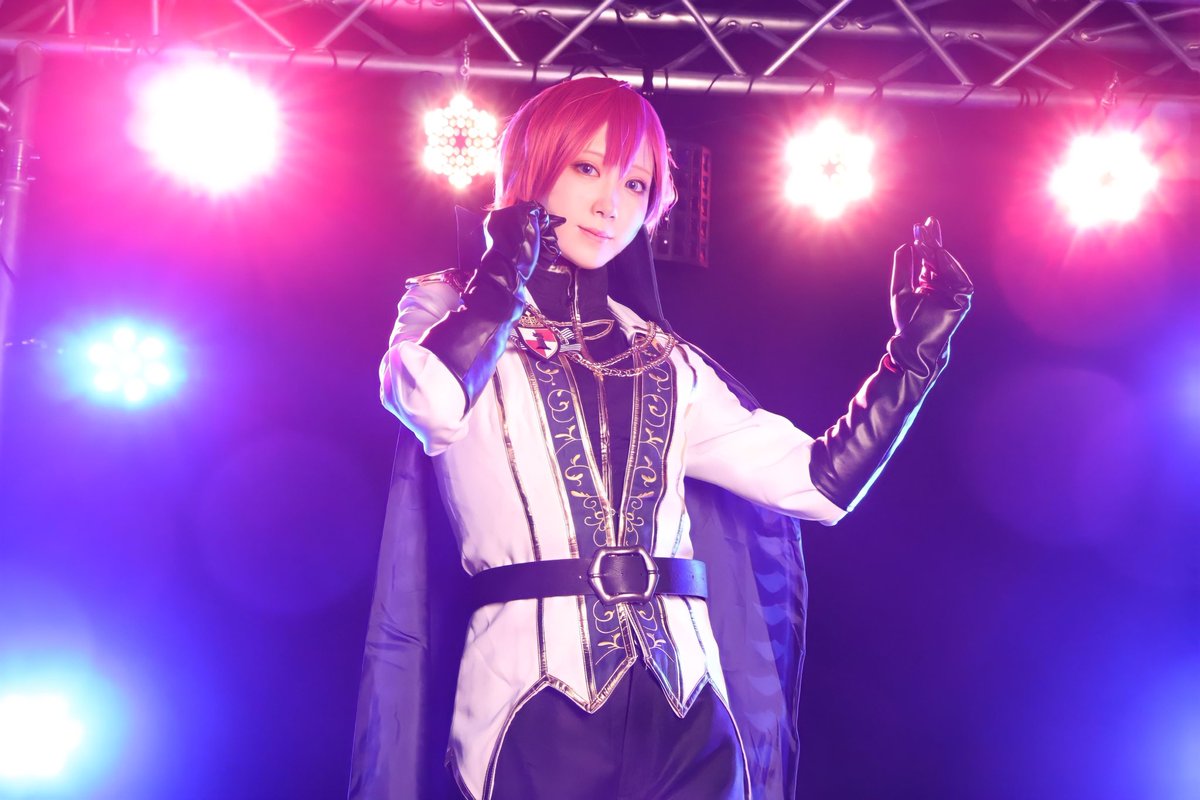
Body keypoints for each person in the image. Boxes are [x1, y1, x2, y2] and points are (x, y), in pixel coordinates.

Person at [348, 77, 973, 800]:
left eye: (635, 184)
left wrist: (916, 353)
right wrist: (499, 277)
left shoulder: (666, 358)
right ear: (530, 167)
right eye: (586, 168)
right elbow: (427, 402)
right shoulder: (447, 306)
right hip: (529, 708)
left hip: (690, 711)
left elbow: (817, 485)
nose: (610, 203)